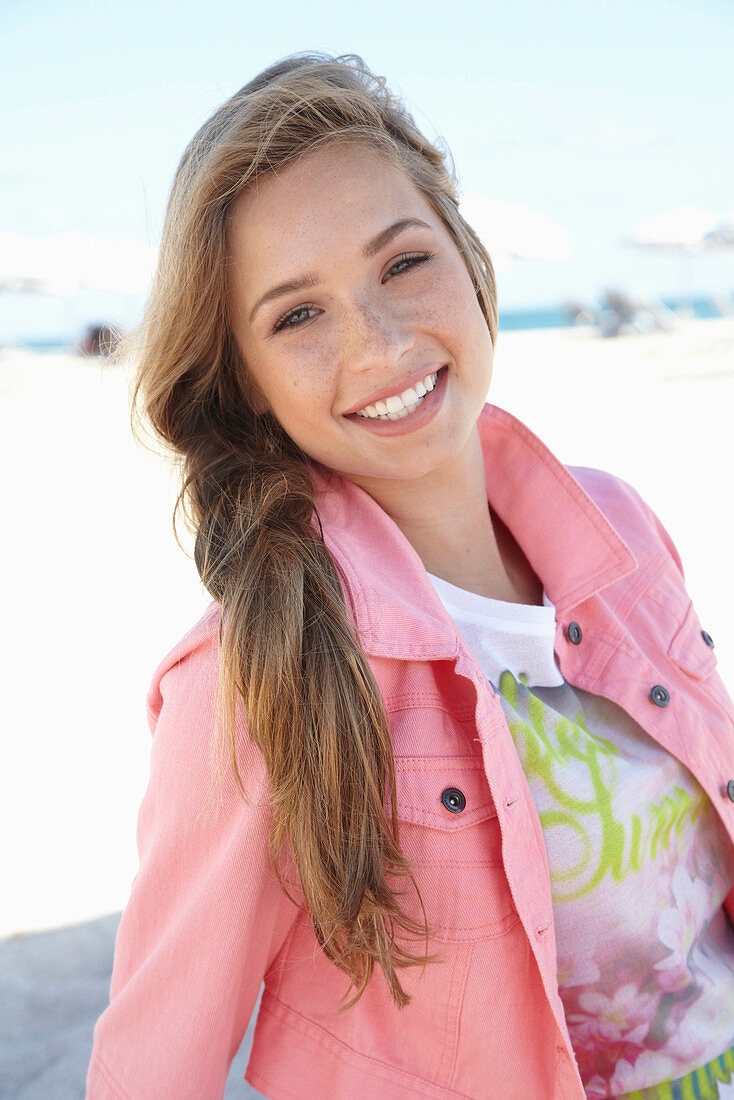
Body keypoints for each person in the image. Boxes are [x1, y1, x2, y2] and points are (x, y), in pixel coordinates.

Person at [86, 53, 734, 1100]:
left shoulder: (617, 524)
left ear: (469, 261)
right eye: (297, 315)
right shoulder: (256, 668)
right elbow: (150, 1069)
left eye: (401, 263)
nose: (380, 342)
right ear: (245, 383)